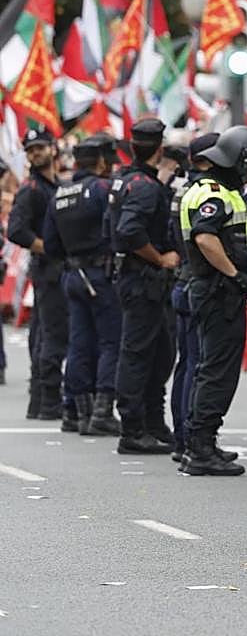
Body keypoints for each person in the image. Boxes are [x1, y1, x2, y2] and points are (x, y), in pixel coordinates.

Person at [179, 125, 247, 476]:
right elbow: (205, 237)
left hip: (209, 290)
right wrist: (234, 275)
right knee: (217, 371)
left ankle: (201, 442)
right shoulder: (217, 195)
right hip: (217, 292)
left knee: (207, 368)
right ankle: (201, 448)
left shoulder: (207, 187)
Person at [42, 135, 122, 436]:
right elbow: (116, 230)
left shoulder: (60, 193)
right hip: (101, 274)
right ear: (101, 162)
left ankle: (76, 412)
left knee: (78, 343)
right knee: (110, 342)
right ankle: (101, 411)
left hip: (72, 275)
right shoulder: (102, 189)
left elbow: (50, 245)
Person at [109, 119, 178, 454]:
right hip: (142, 279)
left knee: (160, 353)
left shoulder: (129, 180)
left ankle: (152, 421)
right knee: (138, 354)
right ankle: (132, 429)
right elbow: (130, 231)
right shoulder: (143, 186)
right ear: (159, 147)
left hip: (141, 280)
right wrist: (159, 258)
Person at [8, 129, 67, 420]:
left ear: (53, 149)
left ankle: (44, 399)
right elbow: (17, 231)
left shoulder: (55, 185)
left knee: (47, 334)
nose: (35, 154)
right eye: (30, 150)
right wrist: (50, 248)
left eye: (40, 148)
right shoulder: (31, 189)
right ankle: (47, 401)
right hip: (48, 271)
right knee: (50, 337)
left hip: (58, 271)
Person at [168, 133, 218, 460]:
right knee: (197, 364)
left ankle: (182, 438)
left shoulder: (184, 189)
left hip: (183, 280)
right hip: (195, 282)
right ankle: (190, 440)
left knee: (188, 363)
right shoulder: (203, 193)